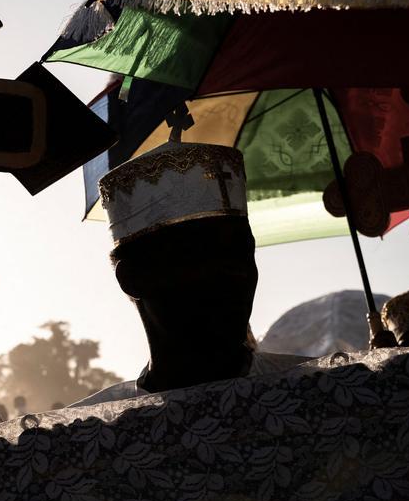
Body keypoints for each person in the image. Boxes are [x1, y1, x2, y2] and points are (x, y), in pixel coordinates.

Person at [74, 142, 307, 406]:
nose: (235, 271)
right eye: (202, 253)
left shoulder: (326, 396)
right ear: (133, 278)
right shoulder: (90, 434)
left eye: (242, 251)